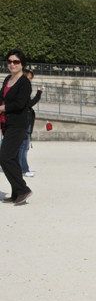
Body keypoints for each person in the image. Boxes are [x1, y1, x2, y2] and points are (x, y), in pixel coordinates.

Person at [0, 49, 32, 204]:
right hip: (6, 124)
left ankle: (23, 189)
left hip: (18, 125)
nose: (12, 64)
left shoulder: (24, 83)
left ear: (22, 64)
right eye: (9, 61)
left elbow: (20, 104)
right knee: (11, 158)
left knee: (5, 157)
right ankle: (15, 194)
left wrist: (2, 108)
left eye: (16, 62)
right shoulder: (7, 79)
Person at [19, 69, 43, 177]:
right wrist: (39, 93)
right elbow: (30, 104)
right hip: (24, 122)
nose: (30, 81)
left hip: (26, 121)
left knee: (24, 147)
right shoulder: (22, 90)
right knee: (23, 148)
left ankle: (23, 168)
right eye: (29, 78)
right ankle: (23, 169)